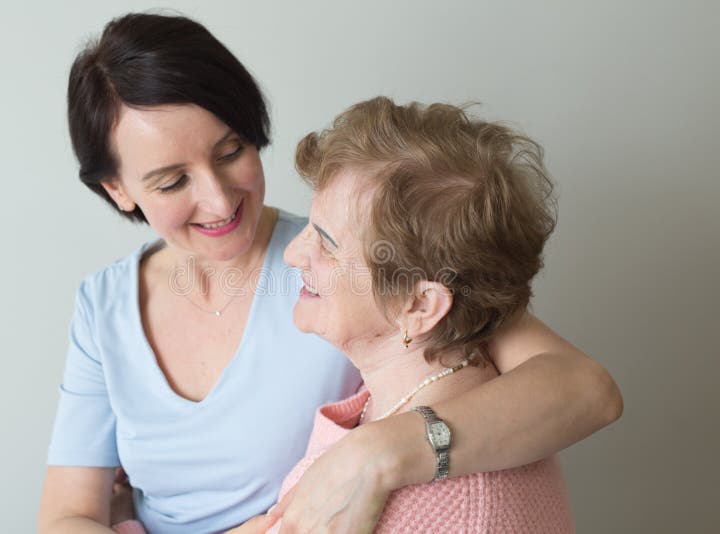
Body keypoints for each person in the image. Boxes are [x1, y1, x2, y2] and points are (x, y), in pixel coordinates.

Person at [38, 13, 622, 534]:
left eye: (231, 150)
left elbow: (584, 389)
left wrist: (380, 451)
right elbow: (68, 515)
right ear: (118, 190)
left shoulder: (368, 264)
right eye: (172, 182)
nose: (218, 200)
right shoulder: (105, 305)